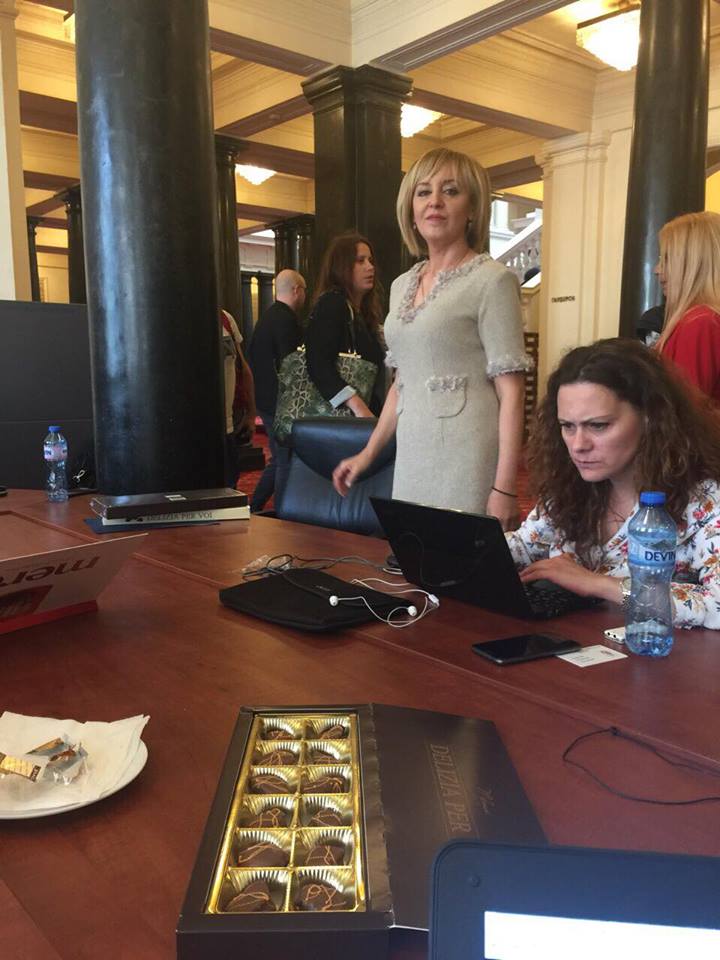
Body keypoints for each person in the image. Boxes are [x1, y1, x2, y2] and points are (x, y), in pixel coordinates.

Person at [332, 148, 530, 528]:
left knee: (459, 555)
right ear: (411, 208)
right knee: (414, 550)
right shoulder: (401, 285)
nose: (434, 201)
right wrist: (367, 455)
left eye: (450, 191)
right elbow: (402, 383)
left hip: (467, 451)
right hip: (413, 451)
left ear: (472, 208)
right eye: (423, 192)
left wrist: (505, 487)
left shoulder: (493, 281)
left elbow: (512, 392)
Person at [508, 338, 720, 629]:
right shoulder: (571, 485)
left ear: (650, 418)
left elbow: (717, 604)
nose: (578, 445)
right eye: (567, 426)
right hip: (576, 644)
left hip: (655, 654)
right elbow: (523, 545)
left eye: (598, 425)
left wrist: (596, 584)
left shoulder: (703, 499)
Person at [304, 233, 386, 418]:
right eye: (360, 261)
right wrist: (357, 406)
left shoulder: (362, 314)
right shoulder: (332, 303)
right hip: (341, 419)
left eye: (371, 260)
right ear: (341, 267)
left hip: (359, 417)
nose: (370, 267)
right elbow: (318, 363)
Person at [247, 269, 305, 511]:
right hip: (280, 403)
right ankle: (281, 512)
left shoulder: (266, 318)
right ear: (296, 290)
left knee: (280, 458)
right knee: (285, 461)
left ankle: (255, 507)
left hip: (265, 400)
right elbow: (291, 365)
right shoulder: (286, 320)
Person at [655, 211, 720, 403]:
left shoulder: (700, 323)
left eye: (667, 259)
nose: (657, 270)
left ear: (696, 263)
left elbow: (684, 411)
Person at [222, 308, 255, 489]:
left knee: (230, 484)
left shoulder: (226, 319)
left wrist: (251, 413)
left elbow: (243, 368)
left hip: (229, 424)